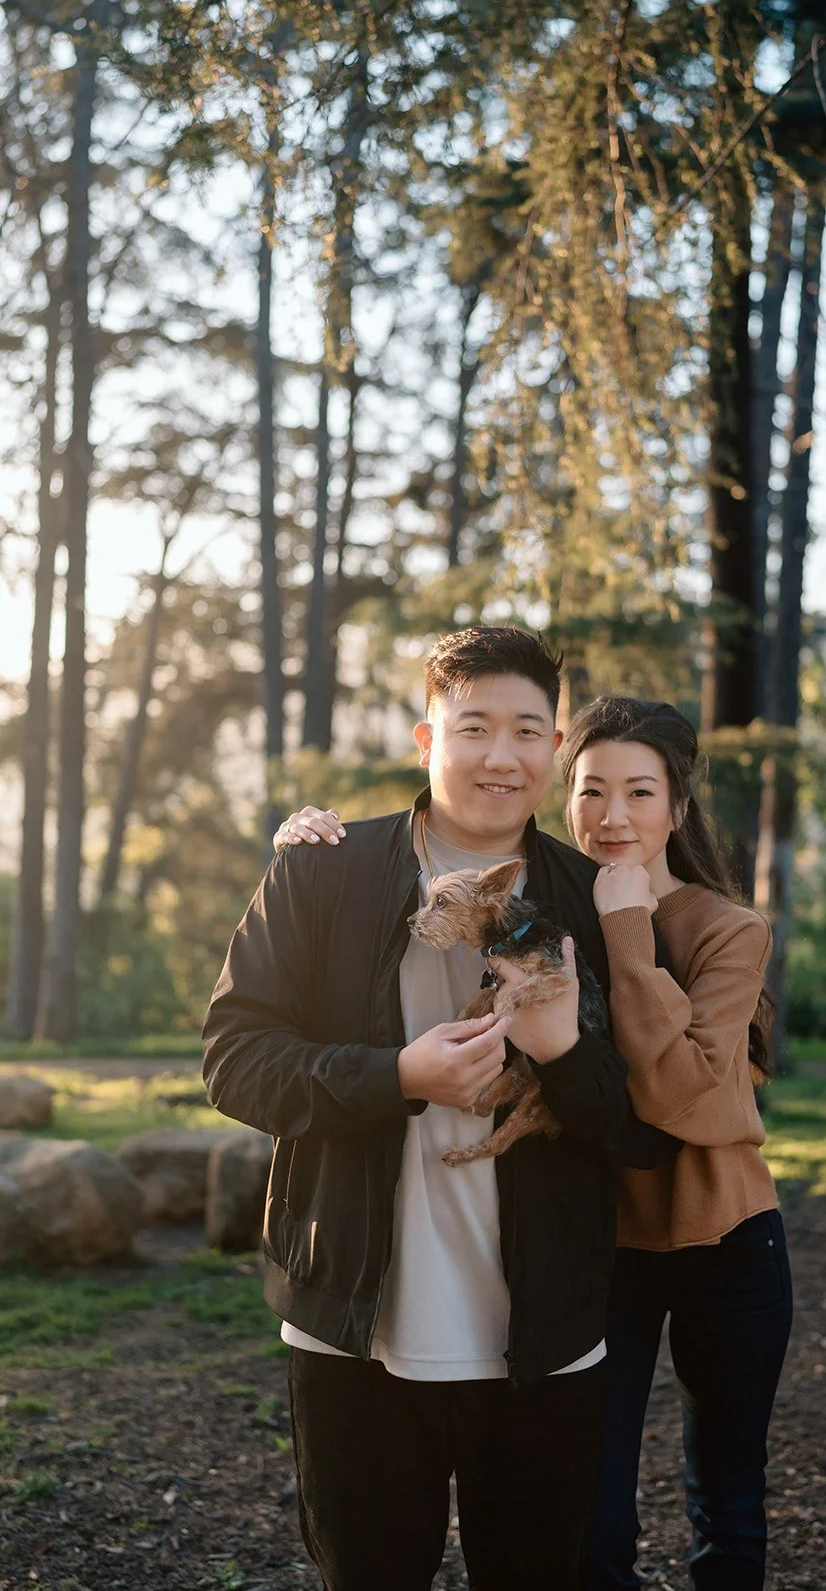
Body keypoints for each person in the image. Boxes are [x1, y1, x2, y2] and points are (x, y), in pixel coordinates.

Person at [282, 693, 792, 1591]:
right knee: (595, 1524)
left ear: (678, 804)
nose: (613, 816)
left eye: (640, 793)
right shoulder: (551, 900)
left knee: (727, 1498)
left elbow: (677, 1100)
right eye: (592, 791)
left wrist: (627, 924)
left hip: (723, 1239)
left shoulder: (720, 927)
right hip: (606, 1247)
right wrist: (316, 842)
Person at [202, 629, 677, 1591]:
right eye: (473, 727)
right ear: (426, 739)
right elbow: (235, 1062)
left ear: (553, 749)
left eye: (526, 731)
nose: (500, 756)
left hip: (544, 1336)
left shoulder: (599, 904)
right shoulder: (322, 870)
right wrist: (396, 1078)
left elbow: (644, 1131)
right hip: (352, 1326)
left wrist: (560, 1055)